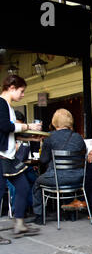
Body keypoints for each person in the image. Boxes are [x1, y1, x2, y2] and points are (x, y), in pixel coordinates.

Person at [0, 75, 41, 243]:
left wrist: (29, 138)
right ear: (11, 87)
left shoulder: (6, 105)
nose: (23, 95)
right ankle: (19, 223)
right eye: (21, 91)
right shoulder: (1, 103)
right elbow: (4, 126)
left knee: (23, 187)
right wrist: (28, 126)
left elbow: (8, 132)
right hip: (2, 155)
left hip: (7, 156)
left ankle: (19, 223)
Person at [31, 109, 86, 224]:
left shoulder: (49, 137)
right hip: (78, 178)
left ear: (55, 122)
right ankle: (70, 214)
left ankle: (39, 216)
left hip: (57, 178)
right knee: (66, 180)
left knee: (37, 183)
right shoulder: (79, 137)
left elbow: (43, 160)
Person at [7, 111, 38, 215]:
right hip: (8, 168)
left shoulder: (25, 136)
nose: (17, 128)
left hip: (24, 166)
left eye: (19, 125)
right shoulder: (6, 137)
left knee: (35, 180)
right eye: (15, 125)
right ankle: (17, 211)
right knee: (16, 184)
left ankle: (32, 207)